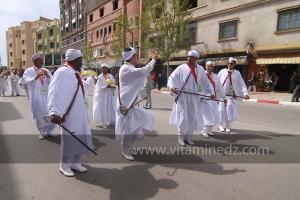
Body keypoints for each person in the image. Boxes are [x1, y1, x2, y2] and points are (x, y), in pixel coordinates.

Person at [48, 49, 93, 177]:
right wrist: (55, 112)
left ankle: (75, 162)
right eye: (80, 59)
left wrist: (89, 80)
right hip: (69, 114)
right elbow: (55, 92)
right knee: (69, 139)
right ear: (74, 60)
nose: (82, 62)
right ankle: (64, 165)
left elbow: (82, 86)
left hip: (80, 112)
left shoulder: (75, 73)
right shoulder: (62, 72)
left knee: (80, 137)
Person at [115, 47, 158, 161]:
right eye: (135, 56)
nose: (136, 58)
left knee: (136, 125)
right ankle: (125, 150)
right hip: (126, 104)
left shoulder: (130, 68)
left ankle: (128, 147)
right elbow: (144, 70)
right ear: (131, 57)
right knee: (129, 128)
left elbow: (137, 82)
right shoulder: (126, 69)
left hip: (131, 103)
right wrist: (153, 60)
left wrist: (141, 94)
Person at [168, 50, 215, 146]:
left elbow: (206, 83)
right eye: (188, 57)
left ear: (196, 59)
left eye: (192, 57)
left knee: (193, 118)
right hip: (183, 97)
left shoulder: (201, 69)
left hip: (195, 98)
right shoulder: (181, 68)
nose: (189, 58)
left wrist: (211, 92)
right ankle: (181, 137)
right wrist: (171, 87)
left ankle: (188, 138)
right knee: (183, 118)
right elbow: (171, 78)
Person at [23, 54, 54, 139]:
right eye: (40, 60)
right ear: (34, 61)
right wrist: (36, 77)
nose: (42, 61)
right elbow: (27, 82)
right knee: (39, 114)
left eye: (41, 59)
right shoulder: (28, 71)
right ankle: (41, 132)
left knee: (49, 113)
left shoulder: (46, 70)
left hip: (47, 96)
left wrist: (48, 76)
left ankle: (49, 131)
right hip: (36, 96)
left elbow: (53, 82)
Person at [218, 57, 250, 133]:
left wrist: (245, 93)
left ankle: (228, 126)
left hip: (231, 96)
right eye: (228, 63)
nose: (229, 65)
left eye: (231, 63)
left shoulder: (237, 73)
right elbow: (216, 82)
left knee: (229, 111)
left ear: (234, 64)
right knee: (221, 111)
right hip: (222, 95)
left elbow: (242, 84)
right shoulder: (222, 71)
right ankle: (220, 125)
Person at [201, 61, 225, 138]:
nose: (210, 68)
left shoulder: (216, 76)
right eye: (208, 66)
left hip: (214, 99)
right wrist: (205, 95)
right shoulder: (202, 75)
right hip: (205, 99)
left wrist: (222, 97)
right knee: (207, 115)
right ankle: (204, 130)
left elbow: (219, 87)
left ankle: (209, 130)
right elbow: (199, 86)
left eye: (211, 66)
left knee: (214, 115)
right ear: (205, 66)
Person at [93, 62, 117, 128]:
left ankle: (110, 121)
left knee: (110, 108)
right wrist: (106, 86)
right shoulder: (100, 77)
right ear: (101, 69)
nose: (104, 69)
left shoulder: (110, 76)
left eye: (105, 68)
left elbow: (113, 83)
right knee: (103, 108)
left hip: (109, 94)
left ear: (107, 69)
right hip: (103, 95)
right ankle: (104, 123)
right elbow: (99, 86)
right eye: (103, 68)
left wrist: (112, 86)